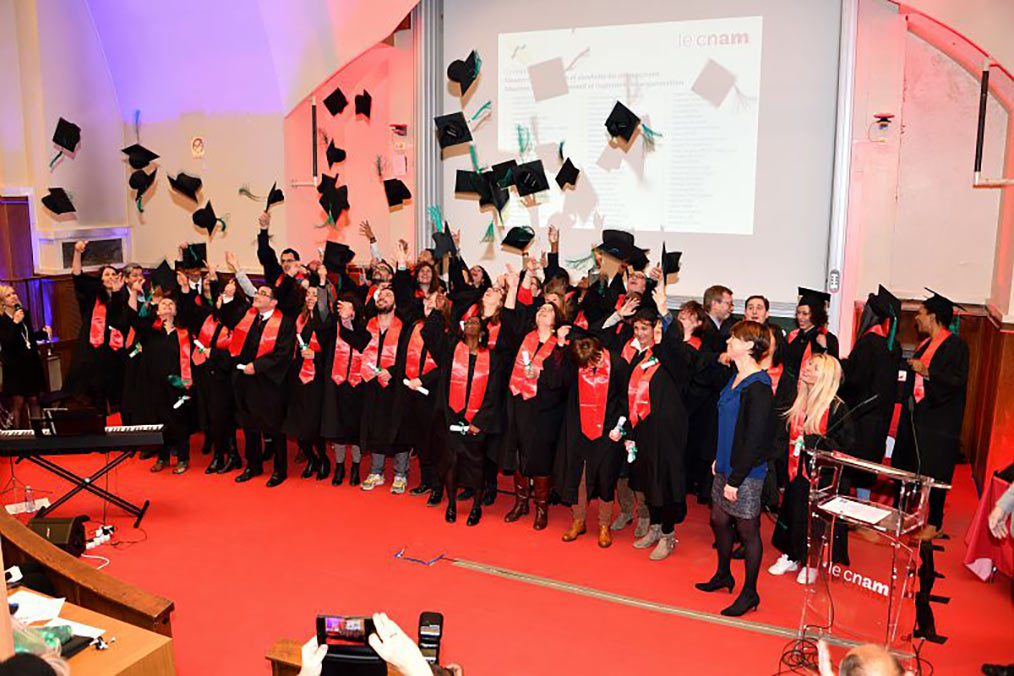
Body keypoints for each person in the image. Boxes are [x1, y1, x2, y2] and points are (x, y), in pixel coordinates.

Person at [696, 320, 774, 617]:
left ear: (750, 346)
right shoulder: (735, 376)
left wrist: (737, 478)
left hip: (746, 472)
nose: (728, 340)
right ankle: (723, 574)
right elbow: (727, 424)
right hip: (726, 465)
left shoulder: (759, 388)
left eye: (734, 338)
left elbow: (755, 440)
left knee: (748, 529)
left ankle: (750, 592)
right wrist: (719, 458)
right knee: (718, 519)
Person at [769, 354, 854, 582]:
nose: (806, 368)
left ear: (825, 376)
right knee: (793, 512)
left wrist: (817, 441)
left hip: (822, 478)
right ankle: (791, 554)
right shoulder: (799, 401)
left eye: (814, 368)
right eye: (807, 365)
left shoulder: (837, 409)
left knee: (813, 520)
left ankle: (812, 561)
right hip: (796, 472)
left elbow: (846, 448)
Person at [621, 284, 690, 561]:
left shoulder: (674, 357)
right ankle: (655, 526)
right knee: (649, 479)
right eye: (638, 329)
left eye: (648, 329)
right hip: (646, 429)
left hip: (669, 432)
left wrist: (664, 311)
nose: (644, 334)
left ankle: (668, 535)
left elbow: (672, 345)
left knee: (666, 481)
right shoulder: (641, 358)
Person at [892, 290, 969, 540]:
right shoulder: (925, 344)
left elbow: (956, 382)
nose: (917, 317)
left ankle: (935, 523)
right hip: (918, 416)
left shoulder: (957, 346)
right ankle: (905, 513)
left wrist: (927, 372)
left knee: (936, 469)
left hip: (939, 421)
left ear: (934, 316)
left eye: (921, 312)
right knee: (910, 464)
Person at [499, 265, 568, 530]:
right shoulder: (524, 336)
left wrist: (539, 375)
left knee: (539, 458)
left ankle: (541, 508)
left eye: (549, 309)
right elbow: (508, 318)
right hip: (517, 403)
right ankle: (520, 502)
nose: (543, 311)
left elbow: (561, 381)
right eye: (541, 308)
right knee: (516, 454)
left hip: (544, 411)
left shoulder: (560, 345)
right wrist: (516, 285)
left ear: (556, 319)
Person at [554, 325, 630, 548]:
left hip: (608, 431)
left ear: (598, 352)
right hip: (579, 428)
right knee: (578, 476)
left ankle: (604, 524)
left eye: (590, 362)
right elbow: (560, 381)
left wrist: (621, 428)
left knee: (606, 478)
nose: (587, 367)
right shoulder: (576, 361)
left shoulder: (617, 363)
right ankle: (578, 520)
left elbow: (627, 398)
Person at [425, 313, 504, 525]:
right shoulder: (451, 351)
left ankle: (476, 507)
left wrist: (479, 422)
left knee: (475, 465)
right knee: (451, 461)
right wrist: (436, 312)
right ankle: (451, 505)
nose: (470, 324)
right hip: (452, 415)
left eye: (475, 322)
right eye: (467, 322)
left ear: (483, 333)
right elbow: (430, 336)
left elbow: (493, 393)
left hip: (477, 422)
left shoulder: (493, 358)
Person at [177, 259, 248, 474]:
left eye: (225, 297)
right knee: (211, 417)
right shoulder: (209, 317)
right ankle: (220, 454)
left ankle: (232, 455)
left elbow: (237, 351)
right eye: (219, 296)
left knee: (224, 417)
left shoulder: (238, 319)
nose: (219, 300)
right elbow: (189, 312)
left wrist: (214, 353)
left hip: (226, 377)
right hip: (207, 374)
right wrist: (185, 288)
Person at [127, 276, 195, 473]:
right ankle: (162, 457)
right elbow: (133, 318)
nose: (166, 306)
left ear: (175, 311)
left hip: (177, 384)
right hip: (153, 383)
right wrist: (134, 292)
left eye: (170, 304)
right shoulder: (150, 331)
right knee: (159, 422)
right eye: (163, 304)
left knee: (179, 421)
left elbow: (191, 310)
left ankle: (183, 458)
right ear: (157, 311)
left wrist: (184, 287)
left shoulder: (183, 333)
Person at [231, 285, 297, 487]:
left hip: (271, 382)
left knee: (274, 428)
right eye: (257, 292)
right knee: (250, 426)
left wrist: (257, 367)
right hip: (247, 380)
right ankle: (253, 465)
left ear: (274, 302)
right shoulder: (248, 318)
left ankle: (280, 469)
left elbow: (283, 354)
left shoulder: (285, 323)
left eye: (263, 294)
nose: (257, 296)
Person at [839, 286, 902, 481]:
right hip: (880, 415)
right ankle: (864, 501)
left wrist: (843, 370)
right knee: (869, 464)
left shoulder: (867, 344)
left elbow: (857, 380)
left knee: (855, 462)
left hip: (862, 415)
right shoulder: (893, 346)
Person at [359, 284, 415, 494]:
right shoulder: (367, 325)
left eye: (388, 295)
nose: (383, 298)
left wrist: (392, 370)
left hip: (396, 384)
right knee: (374, 425)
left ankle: (401, 473)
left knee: (397, 426)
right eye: (380, 295)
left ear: (395, 303)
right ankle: (376, 471)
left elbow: (408, 355)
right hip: (371, 382)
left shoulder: (405, 328)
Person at [65, 240, 129, 413]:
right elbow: (77, 275)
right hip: (93, 355)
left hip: (114, 356)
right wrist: (77, 252)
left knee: (118, 399)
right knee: (97, 400)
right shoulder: (92, 297)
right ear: (100, 280)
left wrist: (116, 293)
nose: (110, 277)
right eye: (106, 275)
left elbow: (118, 321)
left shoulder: (122, 300)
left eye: (113, 274)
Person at [283, 281, 332, 480]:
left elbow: (330, 352)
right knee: (297, 425)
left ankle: (323, 459)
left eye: (315, 294)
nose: (311, 298)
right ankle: (311, 458)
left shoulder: (327, 323)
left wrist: (316, 356)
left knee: (312, 424)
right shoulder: (300, 319)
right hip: (298, 376)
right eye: (308, 295)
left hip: (316, 378)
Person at [320, 293, 369, 485]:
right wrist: (323, 284)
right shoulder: (332, 327)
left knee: (354, 428)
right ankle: (339, 466)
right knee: (336, 427)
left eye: (348, 306)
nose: (343, 310)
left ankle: (356, 466)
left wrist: (348, 323)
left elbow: (360, 343)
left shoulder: (364, 328)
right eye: (341, 306)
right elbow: (321, 317)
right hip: (335, 382)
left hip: (357, 385)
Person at [0, 285, 49, 428]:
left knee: (34, 400)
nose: (13, 296)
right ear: (2, 301)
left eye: (14, 293)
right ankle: (17, 442)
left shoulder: (23, 313)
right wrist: (15, 322)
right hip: (15, 368)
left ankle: (41, 438)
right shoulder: (2, 319)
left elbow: (29, 337)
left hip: (30, 365)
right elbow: (7, 341)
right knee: (18, 403)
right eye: (8, 295)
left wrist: (42, 333)